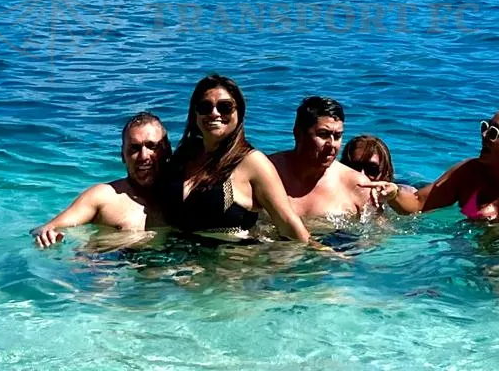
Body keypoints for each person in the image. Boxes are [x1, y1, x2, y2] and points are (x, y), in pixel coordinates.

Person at [157, 74, 312, 243]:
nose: (214, 113)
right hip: (179, 260)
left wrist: (317, 254)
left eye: (225, 107)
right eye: (205, 107)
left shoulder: (252, 162)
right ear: (195, 114)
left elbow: (287, 222)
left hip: (233, 264)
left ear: (239, 112)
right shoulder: (182, 158)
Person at [384, 104, 499, 220]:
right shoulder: (468, 174)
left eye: (494, 133)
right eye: (485, 127)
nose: (484, 135)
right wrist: (393, 193)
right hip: (471, 253)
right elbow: (418, 203)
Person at [31, 113, 169, 247]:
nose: (143, 156)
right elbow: (46, 228)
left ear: (167, 150)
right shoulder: (103, 196)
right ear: (122, 154)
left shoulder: (181, 198)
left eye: (152, 146)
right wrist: (45, 233)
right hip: (108, 265)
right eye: (134, 148)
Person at [270, 97, 386, 220]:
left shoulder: (357, 185)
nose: (332, 145)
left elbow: (379, 234)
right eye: (323, 134)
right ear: (298, 133)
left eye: (337, 136)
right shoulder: (267, 171)